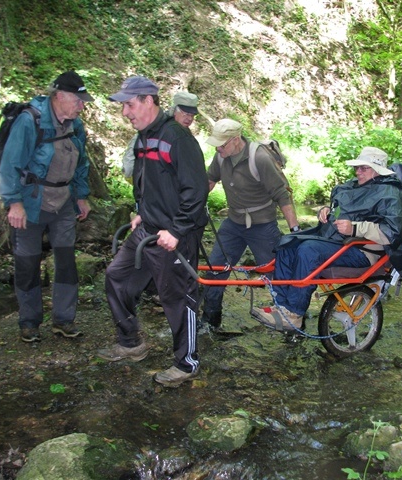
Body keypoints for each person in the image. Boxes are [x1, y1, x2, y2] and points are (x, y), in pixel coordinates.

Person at [98, 76, 209, 388]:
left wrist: (176, 230)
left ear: (148, 101)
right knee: (117, 277)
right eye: (123, 106)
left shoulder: (178, 138)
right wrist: (139, 212)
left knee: (177, 297)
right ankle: (130, 343)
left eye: (129, 105)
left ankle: (187, 363)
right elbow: (146, 182)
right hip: (145, 230)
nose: (125, 113)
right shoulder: (143, 137)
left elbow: (196, 191)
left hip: (173, 236)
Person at [252, 147, 402, 330]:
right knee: (288, 244)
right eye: (357, 168)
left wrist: (355, 228)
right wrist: (326, 211)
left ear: (378, 170)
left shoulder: (391, 194)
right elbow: (340, 209)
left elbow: (392, 233)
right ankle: (282, 307)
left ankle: (294, 314)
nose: (358, 172)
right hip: (337, 242)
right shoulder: (350, 187)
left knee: (308, 250)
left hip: (363, 251)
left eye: (364, 168)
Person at [0, 70, 93, 343]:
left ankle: (64, 320)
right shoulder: (30, 121)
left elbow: (82, 162)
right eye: (78, 100)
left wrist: (81, 196)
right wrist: (14, 203)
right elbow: (10, 165)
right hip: (30, 203)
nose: (81, 105)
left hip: (63, 200)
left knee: (66, 262)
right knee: (27, 263)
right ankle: (29, 321)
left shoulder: (76, 125)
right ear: (60, 96)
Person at [201, 119, 299, 329]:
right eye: (216, 144)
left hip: (263, 226)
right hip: (233, 225)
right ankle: (210, 321)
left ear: (236, 140)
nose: (218, 148)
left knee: (277, 275)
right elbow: (209, 180)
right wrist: (190, 206)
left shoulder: (260, 158)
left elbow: (282, 195)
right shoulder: (220, 157)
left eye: (222, 144)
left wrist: (295, 231)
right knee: (215, 270)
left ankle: (292, 321)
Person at [122, 91, 199, 179]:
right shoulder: (154, 128)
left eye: (192, 115)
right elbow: (129, 166)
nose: (189, 118)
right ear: (174, 110)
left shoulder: (184, 132)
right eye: (186, 114)